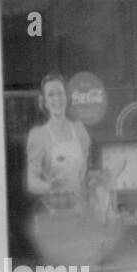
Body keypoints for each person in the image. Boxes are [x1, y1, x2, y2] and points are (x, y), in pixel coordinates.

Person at [26, 73, 91, 209]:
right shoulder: (39, 135)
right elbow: (31, 181)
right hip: (54, 211)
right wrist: (50, 187)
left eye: (60, 93)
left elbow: (83, 174)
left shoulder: (80, 130)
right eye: (51, 95)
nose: (57, 99)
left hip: (80, 208)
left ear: (66, 97)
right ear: (44, 102)